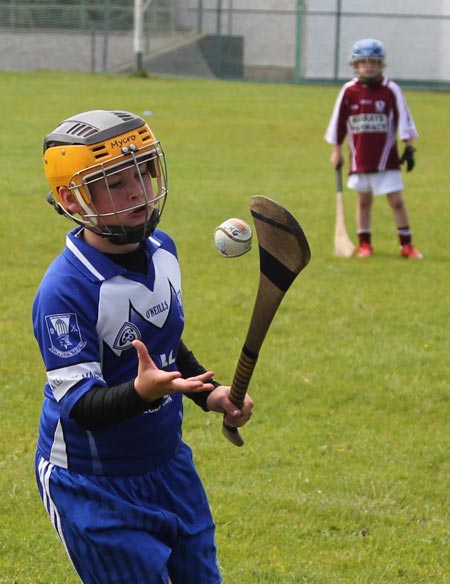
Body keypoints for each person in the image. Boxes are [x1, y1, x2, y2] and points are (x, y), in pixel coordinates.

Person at [32, 109, 254, 584]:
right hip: (94, 484)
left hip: (168, 465)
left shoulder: (163, 249)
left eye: (142, 171)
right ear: (73, 197)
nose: (136, 190)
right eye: (113, 182)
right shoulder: (64, 291)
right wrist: (142, 393)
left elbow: (165, 343)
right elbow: (82, 407)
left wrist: (207, 393)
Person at [325, 38, 423, 259]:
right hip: (359, 157)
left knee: (396, 201)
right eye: (363, 62)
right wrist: (336, 150)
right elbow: (338, 123)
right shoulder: (349, 91)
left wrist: (408, 146)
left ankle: (406, 245)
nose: (368, 66)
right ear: (355, 65)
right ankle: (365, 245)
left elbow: (404, 117)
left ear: (381, 65)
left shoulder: (391, 90)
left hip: (386, 158)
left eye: (374, 62)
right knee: (364, 201)